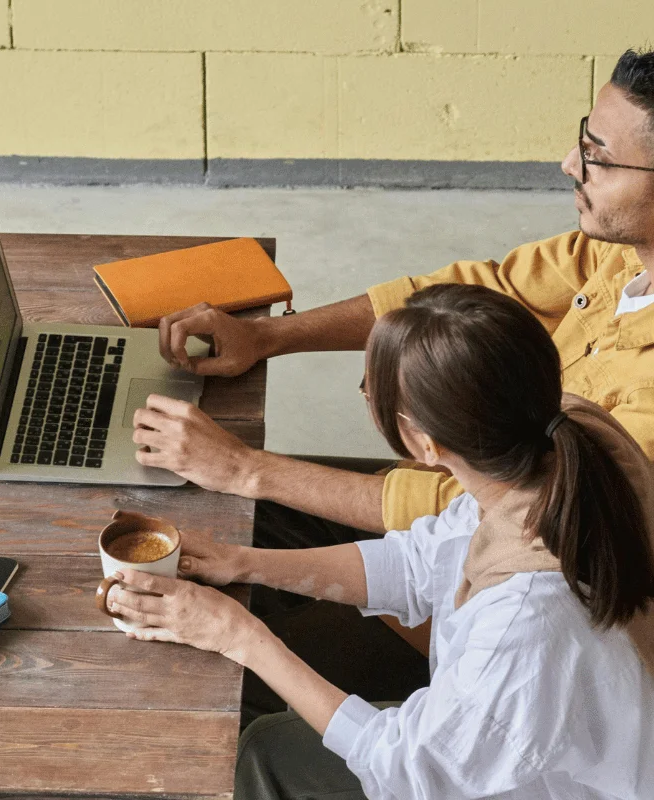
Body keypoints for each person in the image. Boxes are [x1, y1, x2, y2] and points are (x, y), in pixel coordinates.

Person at [108, 284, 654, 799]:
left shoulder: (527, 616)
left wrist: (241, 636)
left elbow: (408, 767)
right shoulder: (560, 439)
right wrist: (242, 562)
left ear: (424, 443)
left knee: (264, 750)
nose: (366, 397)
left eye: (370, 391)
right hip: (538, 725)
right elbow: (418, 562)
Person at [133, 47, 654, 540]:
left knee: (193, 520)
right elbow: (478, 294)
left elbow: (502, 515)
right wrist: (263, 336)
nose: (569, 164)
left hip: (500, 560)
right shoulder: (621, 254)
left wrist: (243, 470)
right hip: (452, 491)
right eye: (581, 141)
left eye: (598, 157)